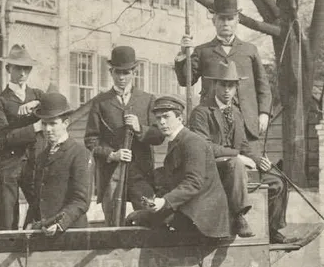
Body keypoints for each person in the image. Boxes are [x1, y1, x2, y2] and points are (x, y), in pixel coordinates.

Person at [188, 61, 293, 242]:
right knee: (236, 163)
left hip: (235, 169)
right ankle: (238, 217)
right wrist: (237, 156)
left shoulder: (236, 113)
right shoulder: (201, 112)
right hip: (211, 169)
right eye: (223, 85)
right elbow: (204, 147)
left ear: (236, 87)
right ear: (215, 85)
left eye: (231, 85)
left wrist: (258, 160)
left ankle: (272, 228)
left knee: (277, 180)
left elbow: (244, 145)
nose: (227, 90)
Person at [126, 95, 231, 239]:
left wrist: (165, 201)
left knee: (143, 222)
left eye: (166, 117)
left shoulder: (192, 142)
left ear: (180, 119)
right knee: (137, 216)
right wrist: (156, 200)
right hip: (191, 209)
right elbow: (172, 182)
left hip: (203, 217)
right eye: (158, 118)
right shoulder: (177, 142)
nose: (162, 122)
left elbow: (194, 183)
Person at [175, 0, 272, 140]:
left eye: (230, 18)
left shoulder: (250, 50)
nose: (226, 23)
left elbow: (263, 86)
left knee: (251, 161)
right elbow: (186, 80)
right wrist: (183, 55)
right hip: (213, 124)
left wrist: (264, 113)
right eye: (221, 18)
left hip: (247, 124)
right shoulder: (202, 51)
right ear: (214, 20)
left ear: (237, 20)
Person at [85, 46, 164, 223]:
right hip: (112, 174)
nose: (122, 77)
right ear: (111, 72)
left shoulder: (147, 100)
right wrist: (112, 155)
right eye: (117, 72)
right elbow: (90, 140)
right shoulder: (100, 103)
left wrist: (139, 128)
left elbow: (159, 136)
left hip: (141, 173)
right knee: (113, 223)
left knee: (149, 218)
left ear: (134, 72)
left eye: (126, 72)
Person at [0, 44, 44, 229]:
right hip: (9, 165)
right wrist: (35, 128)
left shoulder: (37, 95)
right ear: (8, 69)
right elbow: (3, 138)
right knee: (7, 219)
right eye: (18, 68)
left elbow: (59, 105)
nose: (22, 73)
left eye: (26, 68)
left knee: (41, 210)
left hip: (35, 162)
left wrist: (36, 103)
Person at [20, 92, 91, 234]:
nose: (47, 129)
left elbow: (81, 200)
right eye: (44, 124)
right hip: (43, 231)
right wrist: (28, 223)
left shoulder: (79, 154)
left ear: (66, 123)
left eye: (53, 123)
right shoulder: (42, 155)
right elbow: (37, 198)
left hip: (70, 231)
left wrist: (60, 224)